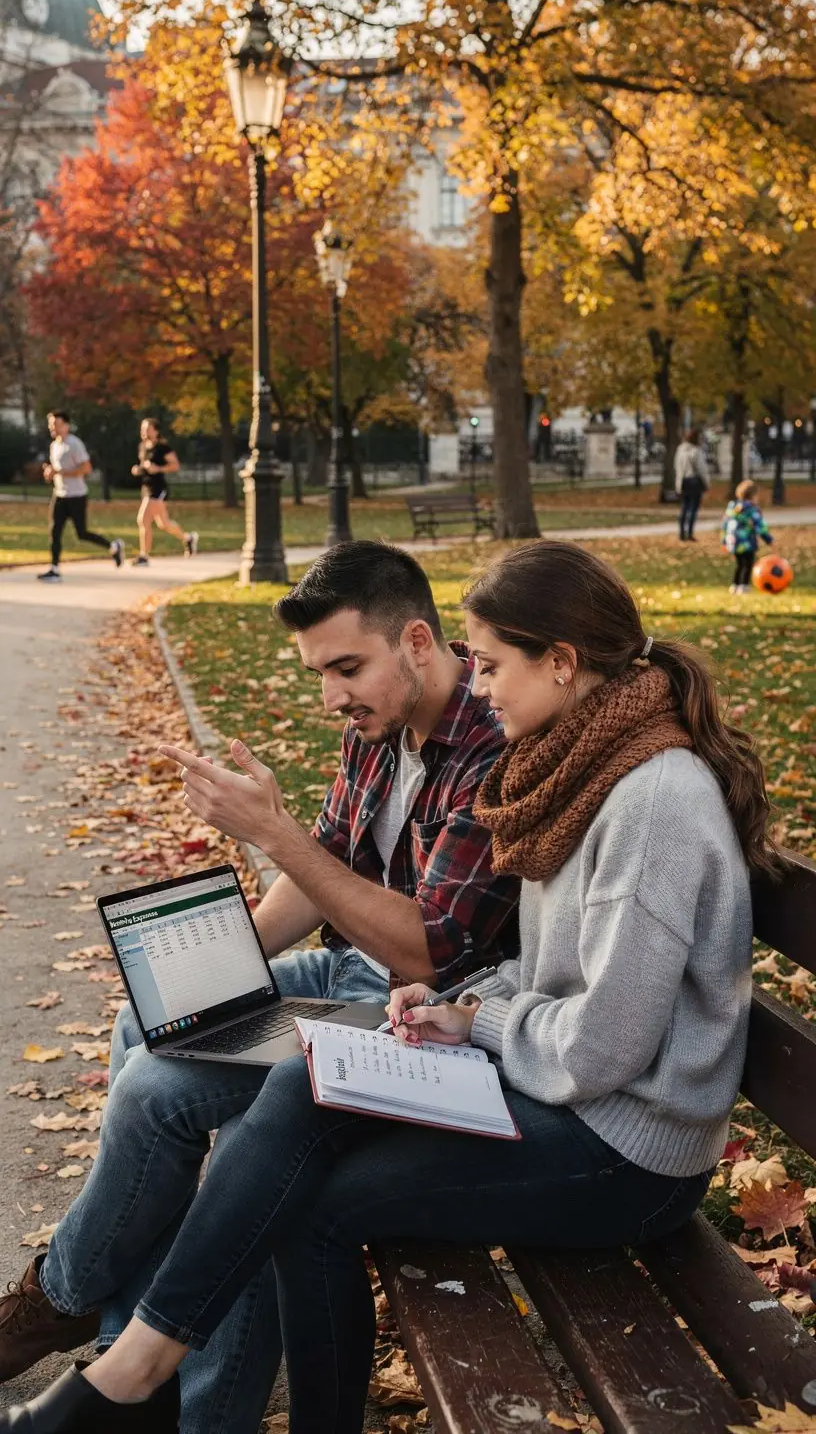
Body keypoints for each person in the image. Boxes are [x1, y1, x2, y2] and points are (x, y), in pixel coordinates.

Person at [0, 539, 778, 1434]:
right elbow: (556, 961)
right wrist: (462, 1010)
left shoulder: (648, 800)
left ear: (561, 664)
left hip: (625, 1148)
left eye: (489, 664)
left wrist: (478, 1014)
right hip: (560, 1082)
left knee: (293, 1181)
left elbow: (599, 1047)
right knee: (282, 1077)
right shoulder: (584, 763)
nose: (479, 685)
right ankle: (135, 1367)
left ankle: (134, 1375)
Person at [0, 541, 519, 1434]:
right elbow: (329, 868)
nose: (332, 696)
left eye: (347, 668)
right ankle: (129, 1353)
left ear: (420, 642)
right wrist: (224, 961)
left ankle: (86, 1313)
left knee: (178, 1101)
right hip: (351, 971)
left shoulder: (489, 746)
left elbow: (430, 951)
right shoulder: (380, 725)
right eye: (320, 673)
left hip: (419, 1017)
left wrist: (274, 836)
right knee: (151, 1021)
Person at [37, 412, 124, 581]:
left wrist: (60, 472)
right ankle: (54, 569)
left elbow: (86, 469)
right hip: (60, 495)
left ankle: (113, 546)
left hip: (77, 496)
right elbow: (57, 469)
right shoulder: (54, 445)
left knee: (82, 533)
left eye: (56, 423)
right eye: (51, 424)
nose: (52, 427)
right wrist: (50, 473)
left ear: (66, 425)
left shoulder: (74, 444)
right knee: (54, 531)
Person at [131, 419, 197, 565]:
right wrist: (138, 469)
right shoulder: (142, 447)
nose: (144, 432)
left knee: (142, 519)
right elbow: (144, 465)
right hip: (146, 487)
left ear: (155, 431)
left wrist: (158, 469)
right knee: (163, 524)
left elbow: (175, 465)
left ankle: (144, 556)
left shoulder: (162, 448)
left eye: (147, 429)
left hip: (158, 488)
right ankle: (188, 538)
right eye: (143, 429)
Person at [721, 479, 773, 595]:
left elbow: (725, 525)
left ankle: (735, 585)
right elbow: (760, 526)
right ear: (753, 496)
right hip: (747, 543)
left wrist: (724, 541)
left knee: (739, 564)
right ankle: (744, 586)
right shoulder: (752, 509)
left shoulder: (732, 507)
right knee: (747, 564)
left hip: (733, 542)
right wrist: (769, 540)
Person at [674, 428, 710, 542]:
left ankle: (681, 533)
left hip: (683, 481)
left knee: (684, 508)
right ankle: (689, 533)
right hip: (694, 482)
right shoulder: (696, 451)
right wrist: (707, 483)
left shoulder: (680, 450)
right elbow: (701, 469)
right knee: (693, 509)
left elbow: (677, 466)